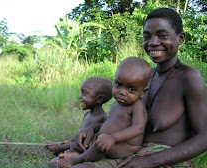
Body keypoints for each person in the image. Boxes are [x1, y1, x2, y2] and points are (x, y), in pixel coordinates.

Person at [70, 8, 207, 168]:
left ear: (181, 38)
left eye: (162, 36)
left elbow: (204, 137)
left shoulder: (189, 78)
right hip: (132, 152)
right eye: (147, 36)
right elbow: (128, 121)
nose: (153, 42)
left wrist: (149, 161)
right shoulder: (144, 78)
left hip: (165, 159)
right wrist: (93, 129)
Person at [53, 57, 152, 168]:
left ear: (143, 92)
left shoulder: (137, 106)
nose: (122, 92)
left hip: (125, 147)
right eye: (118, 85)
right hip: (110, 142)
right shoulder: (116, 105)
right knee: (94, 140)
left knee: (100, 144)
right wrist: (93, 128)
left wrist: (113, 138)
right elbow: (110, 124)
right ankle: (80, 153)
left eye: (131, 89)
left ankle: (77, 159)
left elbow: (138, 128)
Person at [48, 77, 113, 166]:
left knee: (54, 163)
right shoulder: (87, 115)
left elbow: (85, 144)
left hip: (84, 152)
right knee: (53, 162)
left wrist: (59, 147)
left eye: (84, 93)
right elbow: (80, 137)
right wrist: (70, 141)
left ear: (99, 99)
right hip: (76, 148)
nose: (80, 96)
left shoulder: (100, 118)